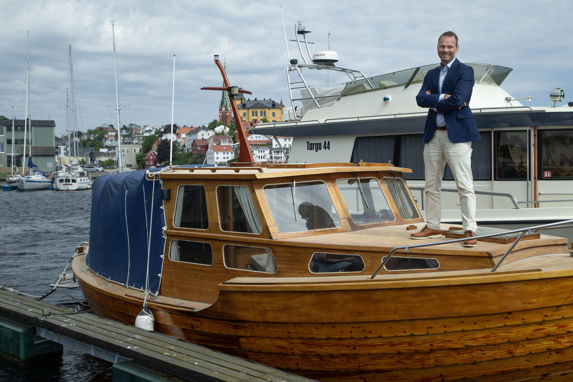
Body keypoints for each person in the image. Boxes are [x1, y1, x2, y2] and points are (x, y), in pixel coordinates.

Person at [411, 31, 480, 247]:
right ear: (437, 47)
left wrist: (433, 101)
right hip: (434, 134)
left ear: (456, 48)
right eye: (442, 46)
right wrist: (442, 98)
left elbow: (460, 98)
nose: (445, 50)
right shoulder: (431, 73)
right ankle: (432, 225)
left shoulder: (465, 71)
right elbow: (420, 99)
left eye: (450, 46)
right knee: (431, 185)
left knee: (464, 184)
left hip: (457, 135)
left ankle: (469, 229)